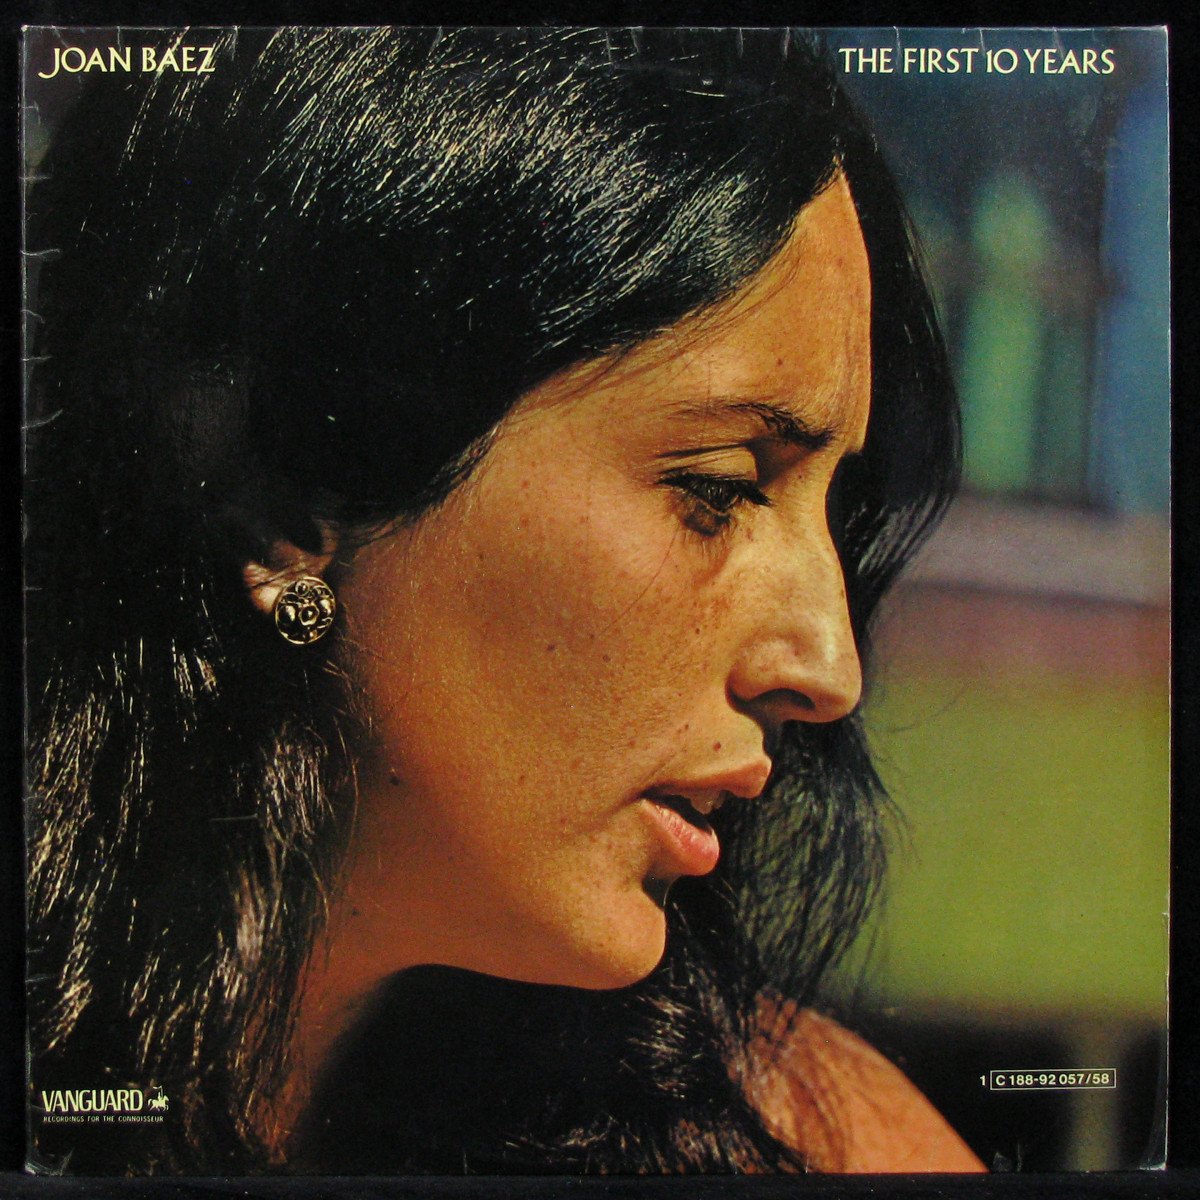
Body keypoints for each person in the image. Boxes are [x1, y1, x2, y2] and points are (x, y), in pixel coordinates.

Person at [24, 27, 980, 1174]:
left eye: (835, 510)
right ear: (292, 500)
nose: (829, 669)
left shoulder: (806, 1142)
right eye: (720, 489)